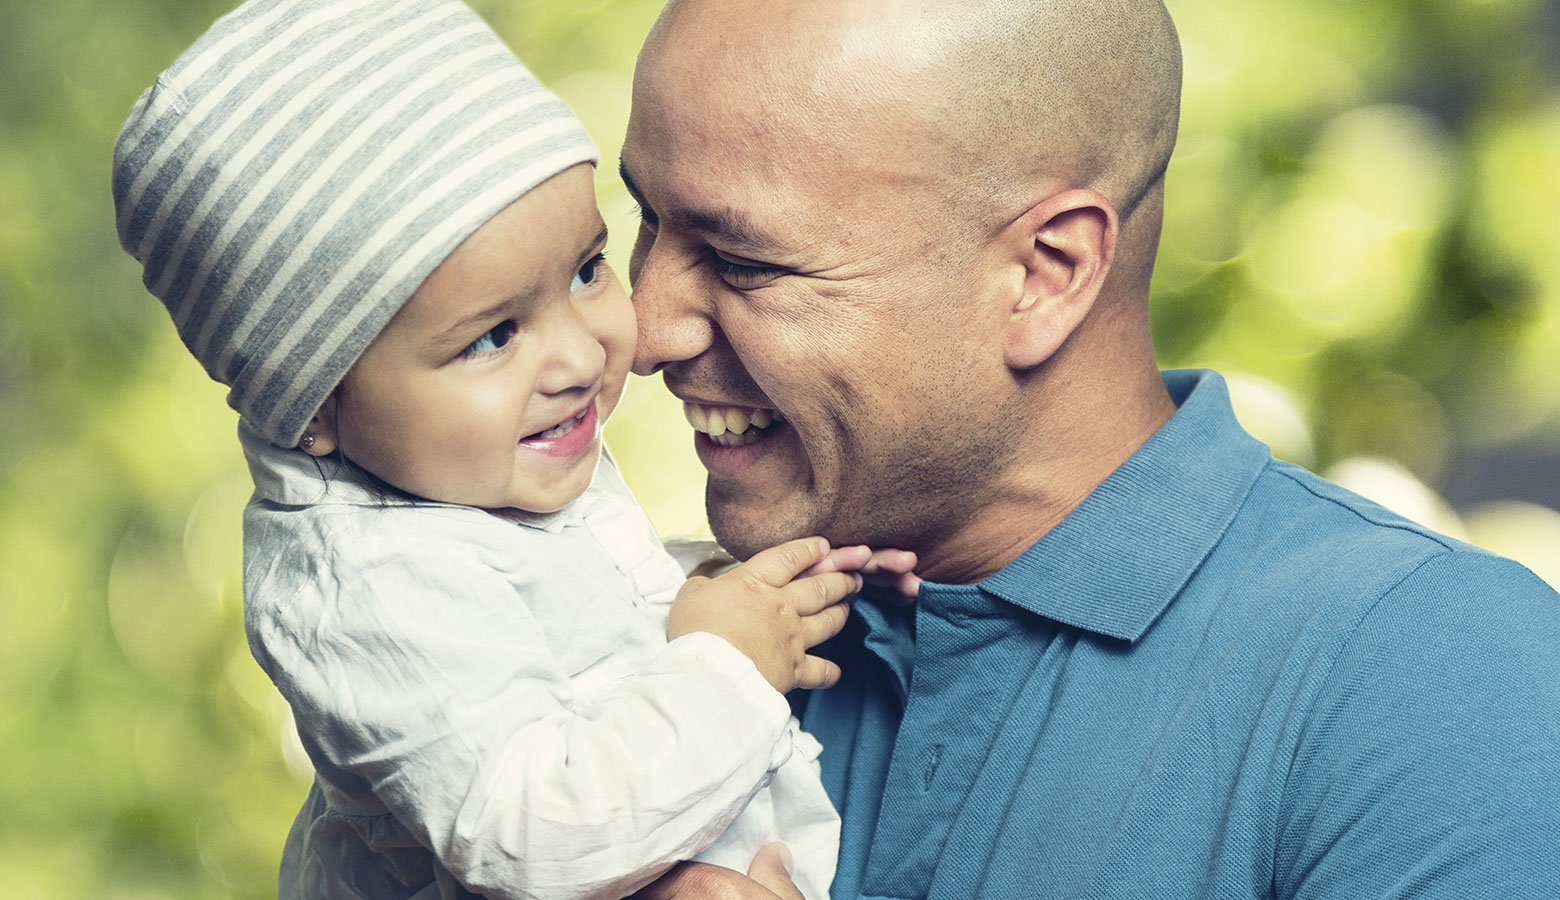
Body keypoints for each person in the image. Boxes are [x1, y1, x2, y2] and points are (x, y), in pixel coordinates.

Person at [619, 0, 1560, 897]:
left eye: (745, 262)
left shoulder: (1434, 677)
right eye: (644, 223)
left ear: (1045, 274)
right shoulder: (663, 636)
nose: (642, 328)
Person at [111, 1, 918, 897]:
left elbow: (581, 626)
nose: (579, 355)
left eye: (585, 270)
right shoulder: (372, 591)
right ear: (315, 406)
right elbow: (536, 836)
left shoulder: (464, 470)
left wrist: (766, 587)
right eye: (492, 336)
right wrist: (727, 660)